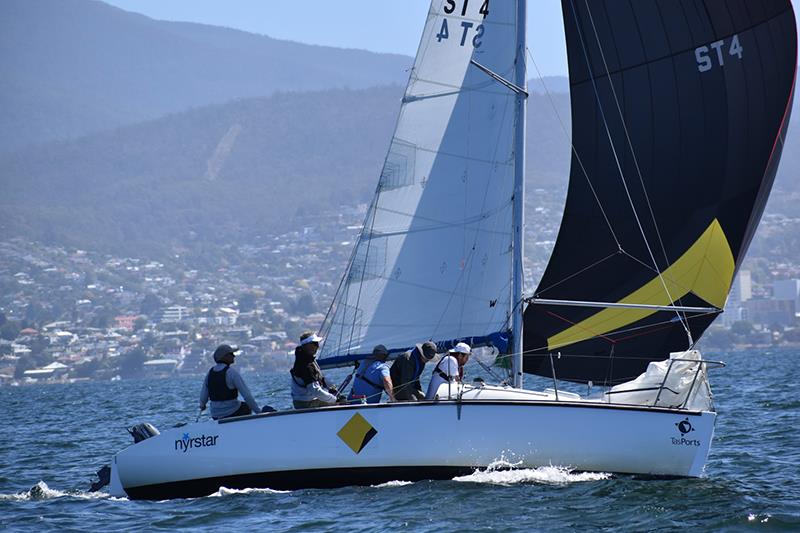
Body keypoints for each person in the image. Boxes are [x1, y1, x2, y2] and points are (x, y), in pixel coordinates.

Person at [199, 344, 261, 419]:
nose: (234, 356)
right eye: (231, 354)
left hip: (215, 415)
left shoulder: (210, 373)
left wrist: (202, 405)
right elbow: (247, 396)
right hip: (231, 413)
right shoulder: (232, 373)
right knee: (246, 406)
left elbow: (203, 398)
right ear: (224, 357)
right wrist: (258, 412)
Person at [290, 332, 338, 409]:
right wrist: (334, 399)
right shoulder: (306, 365)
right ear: (307, 346)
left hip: (306, 401)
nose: (317, 346)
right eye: (315, 344)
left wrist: (332, 388)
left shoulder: (308, 358)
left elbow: (321, 378)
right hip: (306, 404)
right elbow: (315, 390)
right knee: (339, 404)